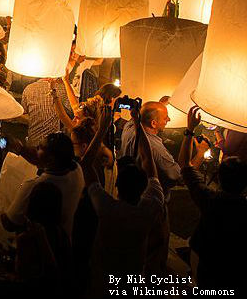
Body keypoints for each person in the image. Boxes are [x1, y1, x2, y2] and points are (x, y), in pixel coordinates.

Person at [81, 104, 164, 296]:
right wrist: (137, 122)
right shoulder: (150, 206)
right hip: (134, 280)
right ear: (144, 187)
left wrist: (102, 128)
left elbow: (85, 164)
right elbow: (148, 161)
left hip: (103, 281)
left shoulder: (107, 208)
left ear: (117, 186)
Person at [179, 106, 247, 291]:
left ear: (218, 177)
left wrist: (189, 131)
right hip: (236, 271)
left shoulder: (209, 199)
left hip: (207, 263)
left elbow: (185, 167)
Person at [119, 101, 180, 274]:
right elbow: (175, 174)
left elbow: (136, 120)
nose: (168, 119)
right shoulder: (156, 149)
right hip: (151, 204)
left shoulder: (129, 128)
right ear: (153, 123)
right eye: (165, 117)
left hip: (130, 199)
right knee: (154, 251)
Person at [3, 132, 85, 239]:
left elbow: (9, 223)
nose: (36, 148)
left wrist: (3, 211)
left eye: (40, 147)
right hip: (64, 245)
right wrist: (21, 149)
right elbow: (41, 160)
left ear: (51, 159)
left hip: (37, 248)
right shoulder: (76, 170)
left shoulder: (35, 187)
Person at [21, 77, 72, 146]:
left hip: (33, 142)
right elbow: (70, 112)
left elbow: (23, 112)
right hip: (53, 144)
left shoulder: (28, 88)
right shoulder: (63, 89)